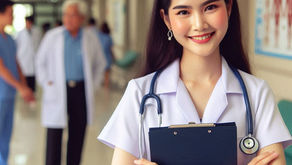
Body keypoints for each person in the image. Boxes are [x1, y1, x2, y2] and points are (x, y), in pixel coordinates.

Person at [98, 0, 292, 164]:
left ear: (229, 7)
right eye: (183, 12)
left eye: (210, 8)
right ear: (167, 20)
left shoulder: (256, 93)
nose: (199, 24)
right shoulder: (140, 93)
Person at [35, 0, 106, 165]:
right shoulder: (53, 36)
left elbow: (100, 64)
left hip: (79, 91)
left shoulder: (90, 38)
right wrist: (46, 83)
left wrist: (93, 85)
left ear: (81, 18)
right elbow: (40, 62)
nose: (68, 19)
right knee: (54, 135)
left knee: (77, 133)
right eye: (66, 14)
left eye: (72, 15)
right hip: (58, 89)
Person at [0, 1, 35, 164]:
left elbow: (16, 63)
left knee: (6, 136)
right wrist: (20, 87)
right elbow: (1, 68)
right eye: (10, 13)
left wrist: (24, 86)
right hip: (1, 94)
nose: (13, 17)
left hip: (9, 95)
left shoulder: (10, 39)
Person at [16, 15, 42, 93]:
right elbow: (17, 45)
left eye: (29, 22)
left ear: (32, 22)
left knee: (33, 77)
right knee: (24, 76)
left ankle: (32, 92)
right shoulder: (20, 33)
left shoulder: (37, 31)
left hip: (34, 58)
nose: (28, 24)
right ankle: (25, 92)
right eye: (26, 22)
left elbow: (39, 43)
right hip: (23, 58)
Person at [98, 22, 114, 88]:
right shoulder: (109, 37)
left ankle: (100, 83)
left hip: (100, 57)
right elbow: (110, 49)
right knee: (107, 72)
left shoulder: (98, 36)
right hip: (107, 57)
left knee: (100, 71)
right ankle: (106, 85)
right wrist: (113, 57)